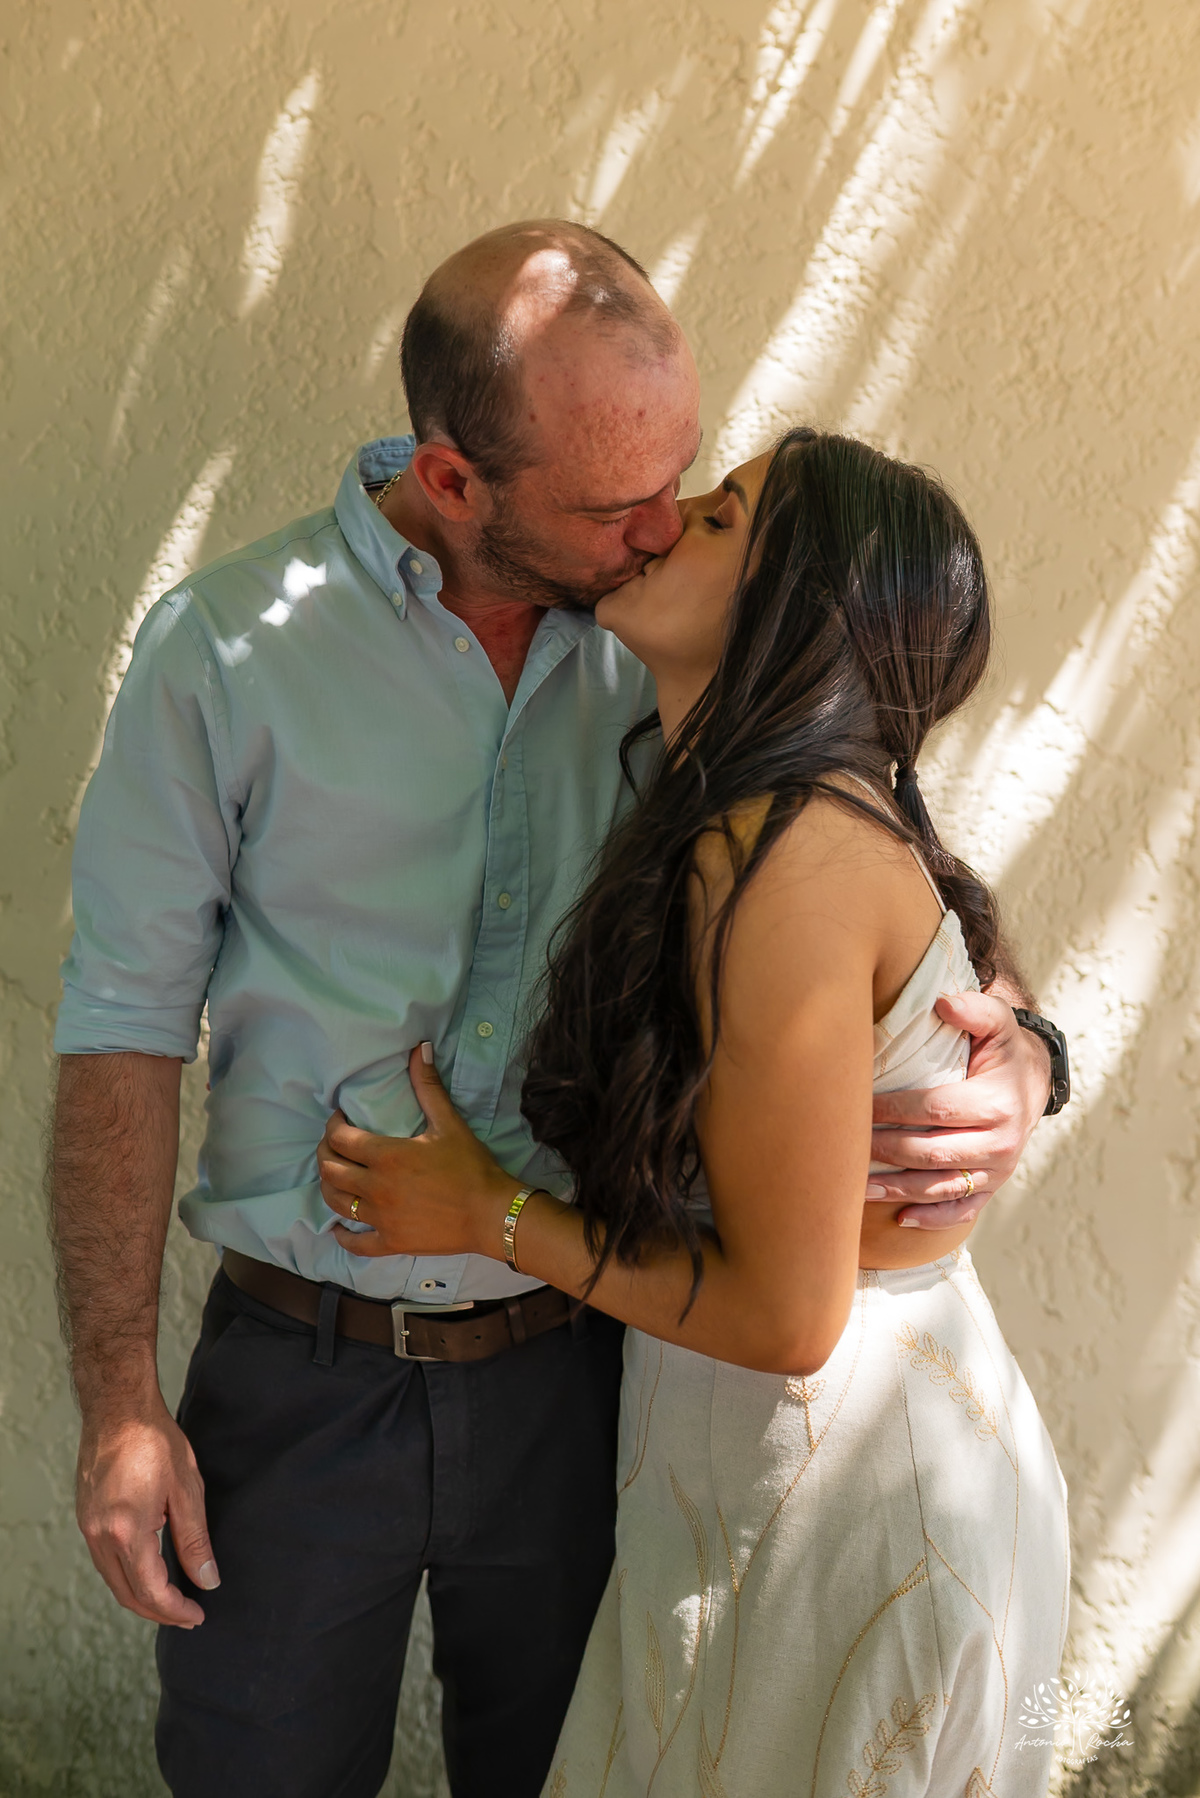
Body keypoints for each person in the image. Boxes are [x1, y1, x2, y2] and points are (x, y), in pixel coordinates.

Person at [48, 222, 1061, 1798]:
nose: (658, 529)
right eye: (614, 506)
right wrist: (118, 1401)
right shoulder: (225, 655)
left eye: (686, 479)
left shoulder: (683, 645)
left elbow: (880, 860)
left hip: (592, 1374)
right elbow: (119, 1023)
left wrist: (1024, 1051)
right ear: (457, 482)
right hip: (301, 1373)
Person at [315, 429, 1070, 1797]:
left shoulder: (779, 851)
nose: (664, 525)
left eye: (719, 518)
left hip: (849, 1484)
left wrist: (489, 1211)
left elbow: (787, 1317)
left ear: (796, 610)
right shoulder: (770, 810)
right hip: (790, 1456)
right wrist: (1031, 1045)